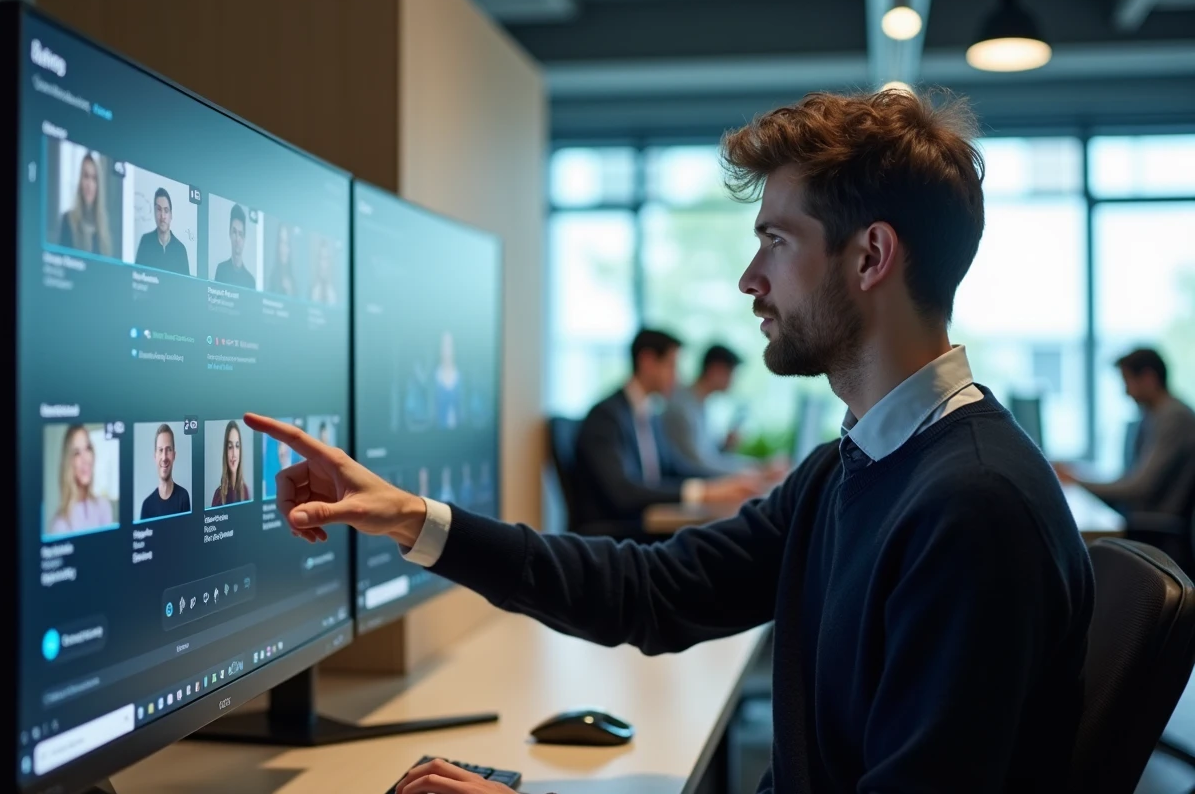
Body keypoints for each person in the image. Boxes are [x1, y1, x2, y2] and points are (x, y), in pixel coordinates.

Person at [247, 89, 1094, 794]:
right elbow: (653, 590)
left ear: (870, 256)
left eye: (775, 238)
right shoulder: (858, 468)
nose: (748, 278)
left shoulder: (972, 510)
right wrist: (412, 519)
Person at [570, 329, 763, 536]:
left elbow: (675, 466)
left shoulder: (649, 415)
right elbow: (622, 492)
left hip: (645, 522)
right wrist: (702, 493)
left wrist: (723, 485)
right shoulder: (607, 416)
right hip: (614, 534)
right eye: (672, 366)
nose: (677, 377)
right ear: (648, 362)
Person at [1055, 348, 1195, 516]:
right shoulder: (1153, 416)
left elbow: (1140, 487)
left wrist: (1078, 482)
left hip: (1153, 521)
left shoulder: (1173, 417)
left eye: (1127, 382)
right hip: (1142, 515)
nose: (1126, 392)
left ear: (1148, 378)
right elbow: (1131, 479)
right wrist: (1079, 478)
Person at [662, 343, 758, 475]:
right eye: (730, 373)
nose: (733, 380)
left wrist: (725, 446)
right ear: (715, 370)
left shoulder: (700, 404)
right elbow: (696, 464)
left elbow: (708, 456)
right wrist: (753, 471)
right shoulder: (682, 407)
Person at [48, 425, 114, 536]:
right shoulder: (60, 524)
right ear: (68, 462)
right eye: (77, 453)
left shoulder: (104, 506)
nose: (85, 459)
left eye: (87, 448)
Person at [57, 152, 113, 257]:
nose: (89, 184)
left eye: (94, 178)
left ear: (98, 185)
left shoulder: (103, 226)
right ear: (80, 181)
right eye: (86, 176)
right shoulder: (68, 220)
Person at [139, 424, 191, 520]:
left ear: (174, 455)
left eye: (169, 450)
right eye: (160, 450)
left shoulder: (183, 497)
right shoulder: (147, 505)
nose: (164, 457)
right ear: (155, 456)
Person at [134, 187, 190, 275]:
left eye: (166, 210)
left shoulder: (180, 250)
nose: (162, 216)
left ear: (171, 215)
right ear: (154, 212)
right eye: (159, 209)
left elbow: (187, 286)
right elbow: (137, 276)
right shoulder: (145, 241)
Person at [214, 204, 257, 289]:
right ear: (229, 233)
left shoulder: (250, 281)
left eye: (240, 234)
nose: (237, 239)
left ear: (244, 238)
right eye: (234, 232)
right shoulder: (221, 270)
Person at [211, 420, 250, 506]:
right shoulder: (218, 496)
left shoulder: (245, 491)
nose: (234, 454)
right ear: (225, 451)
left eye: (237, 446)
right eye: (230, 447)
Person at [433, 331, 463, 429]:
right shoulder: (434, 377)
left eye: (449, 345)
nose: (446, 350)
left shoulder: (461, 377)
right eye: (443, 346)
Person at [267, 222, 298, 297]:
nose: (283, 248)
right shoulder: (272, 279)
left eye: (286, 243)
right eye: (281, 242)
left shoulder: (294, 283)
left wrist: (290, 292)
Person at [309, 238, 338, 305]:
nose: (322, 264)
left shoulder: (333, 293)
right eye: (320, 258)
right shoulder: (312, 290)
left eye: (325, 259)